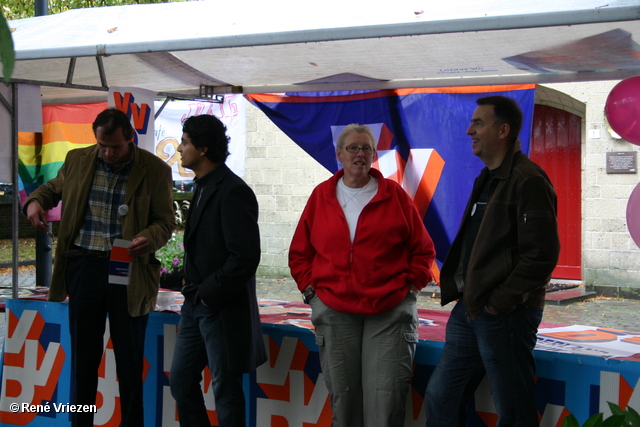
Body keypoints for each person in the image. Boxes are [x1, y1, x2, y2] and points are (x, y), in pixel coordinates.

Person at [24, 108, 176, 426]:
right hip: (84, 268)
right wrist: (35, 201)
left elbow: (165, 222)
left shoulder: (155, 170)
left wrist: (149, 237)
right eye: (102, 145)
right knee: (83, 359)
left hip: (129, 272)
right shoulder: (79, 159)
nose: (108, 153)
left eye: (116, 147)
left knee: (130, 362)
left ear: (130, 138)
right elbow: (52, 189)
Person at [425, 96, 561, 426]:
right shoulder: (486, 178)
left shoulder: (528, 181)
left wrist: (499, 303)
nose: (469, 129)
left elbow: (541, 256)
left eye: (479, 123)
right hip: (471, 309)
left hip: (505, 315)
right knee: (441, 398)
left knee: (513, 411)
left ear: (503, 131)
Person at [289, 124, 437, 427]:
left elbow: (423, 251)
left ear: (374, 155)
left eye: (367, 148)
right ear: (339, 154)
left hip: (389, 312)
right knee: (344, 402)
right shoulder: (322, 196)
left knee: (386, 403)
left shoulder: (394, 196)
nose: (360, 154)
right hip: (335, 312)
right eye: (353, 148)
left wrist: (409, 290)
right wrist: (312, 295)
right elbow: (300, 252)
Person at [169, 114, 267, 427]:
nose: (180, 149)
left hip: (219, 309)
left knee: (225, 391)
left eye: (185, 142)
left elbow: (245, 257)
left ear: (203, 149)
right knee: (181, 382)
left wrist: (210, 294)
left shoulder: (233, 191)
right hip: (195, 307)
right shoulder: (201, 186)